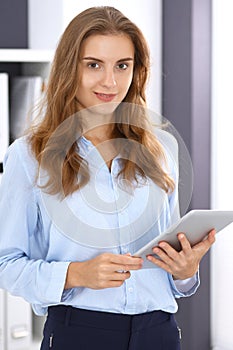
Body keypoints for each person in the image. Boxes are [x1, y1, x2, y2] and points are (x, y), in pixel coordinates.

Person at [0, 6, 215, 350]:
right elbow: (6, 264)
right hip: (79, 333)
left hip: (159, 332)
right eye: (93, 65)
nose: (110, 82)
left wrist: (185, 269)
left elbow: (173, 265)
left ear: (137, 70)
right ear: (70, 68)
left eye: (122, 65)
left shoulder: (162, 147)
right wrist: (77, 274)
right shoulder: (28, 156)